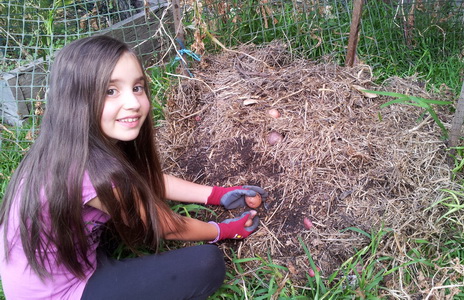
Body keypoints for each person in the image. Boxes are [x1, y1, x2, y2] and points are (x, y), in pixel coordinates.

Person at [0, 35, 267, 300]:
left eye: (137, 87)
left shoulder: (71, 143)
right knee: (206, 263)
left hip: (69, 258)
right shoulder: (87, 170)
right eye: (110, 91)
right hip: (59, 293)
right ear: (76, 100)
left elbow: (143, 179)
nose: (133, 102)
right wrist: (223, 230)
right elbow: (168, 227)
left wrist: (217, 195)